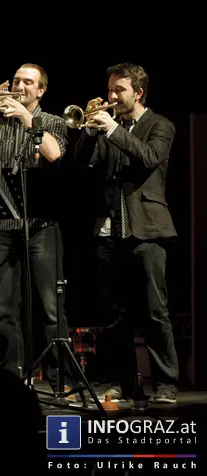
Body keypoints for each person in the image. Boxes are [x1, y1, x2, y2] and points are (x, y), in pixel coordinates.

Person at [73, 63, 178, 404]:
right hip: (108, 231)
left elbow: (149, 157)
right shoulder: (107, 127)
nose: (112, 95)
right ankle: (122, 383)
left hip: (146, 228)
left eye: (119, 90)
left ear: (139, 93)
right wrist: (90, 133)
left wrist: (113, 128)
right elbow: (80, 164)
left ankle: (165, 384)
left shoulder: (160, 125)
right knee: (114, 316)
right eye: (110, 89)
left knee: (154, 311)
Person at [0, 63, 69, 392]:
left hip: (41, 225)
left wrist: (27, 119)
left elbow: (54, 153)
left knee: (50, 307)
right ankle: (14, 381)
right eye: (17, 81)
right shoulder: (0, 123)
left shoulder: (53, 121)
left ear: (41, 90)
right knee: (5, 308)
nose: (20, 86)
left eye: (28, 82)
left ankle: (59, 381)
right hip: (3, 225)